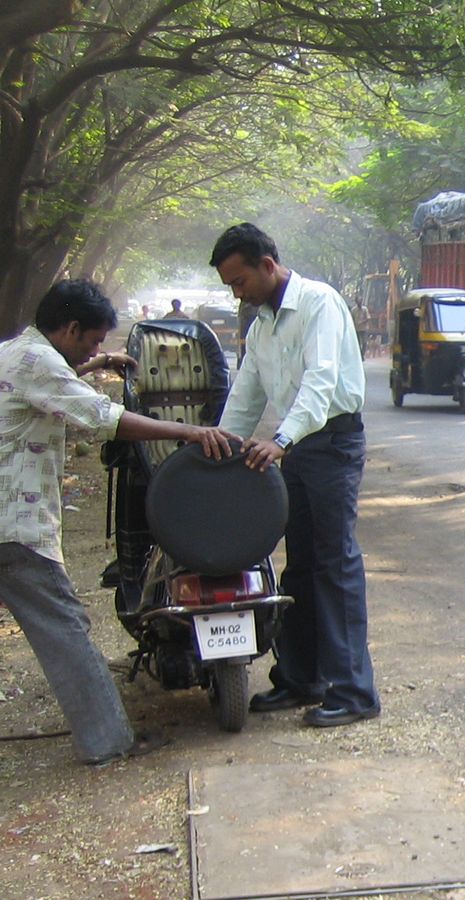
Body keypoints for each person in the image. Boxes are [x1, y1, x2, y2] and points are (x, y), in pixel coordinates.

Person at [0, 279, 236, 765]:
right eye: (91, 341)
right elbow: (105, 418)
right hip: (15, 525)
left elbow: (52, 383)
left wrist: (99, 363)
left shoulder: (17, 352)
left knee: (59, 626)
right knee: (65, 628)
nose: (93, 349)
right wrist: (189, 431)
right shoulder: (39, 363)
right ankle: (108, 742)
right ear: (70, 328)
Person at [209, 222, 379, 728]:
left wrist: (280, 440)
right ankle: (302, 678)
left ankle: (354, 693)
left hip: (332, 443)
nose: (236, 294)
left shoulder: (319, 303)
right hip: (298, 449)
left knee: (335, 563)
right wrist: (217, 446)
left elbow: (321, 381)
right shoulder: (260, 326)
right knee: (299, 565)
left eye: (239, 282)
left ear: (267, 265)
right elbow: (246, 395)